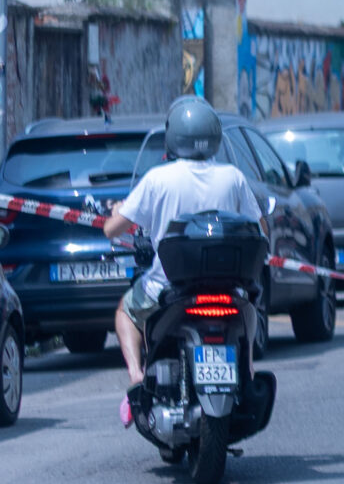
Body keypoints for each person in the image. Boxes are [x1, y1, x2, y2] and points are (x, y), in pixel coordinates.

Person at [105, 95, 265, 419]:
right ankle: (245, 371)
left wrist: (118, 211)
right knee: (249, 313)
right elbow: (260, 229)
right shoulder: (232, 177)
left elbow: (112, 230)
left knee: (125, 312)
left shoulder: (157, 179)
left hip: (168, 284)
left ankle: (137, 377)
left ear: (173, 135)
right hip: (229, 283)